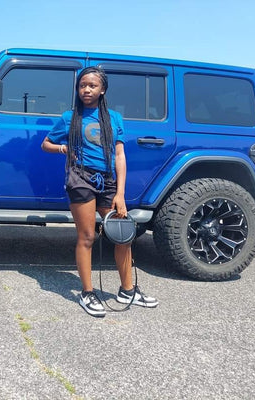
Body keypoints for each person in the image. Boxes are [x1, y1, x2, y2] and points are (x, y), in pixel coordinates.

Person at [41, 66, 158, 317]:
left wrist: (120, 194)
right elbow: (46, 144)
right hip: (80, 178)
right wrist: (63, 149)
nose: (86, 89)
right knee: (87, 237)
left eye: (92, 85)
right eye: (82, 85)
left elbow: (119, 155)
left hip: (107, 181)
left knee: (122, 234)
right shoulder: (70, 117)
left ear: (102, 90)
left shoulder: (114, 119)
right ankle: (87, 292)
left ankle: (127, 290)